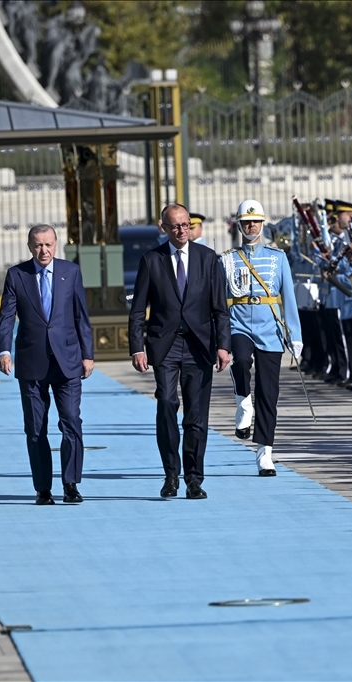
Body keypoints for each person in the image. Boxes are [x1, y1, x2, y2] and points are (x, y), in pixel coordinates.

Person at [129, 204, 232, 500]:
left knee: (197, 416)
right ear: (164, 228)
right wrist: (137, 347)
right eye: (175, 226)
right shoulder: (152, 260)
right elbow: (138, 310)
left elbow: (220, 309)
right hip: (165, 345)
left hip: (200, 346)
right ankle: (170, 475)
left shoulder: (208, 259)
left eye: (186, 225)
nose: (181, 230)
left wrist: (223, 345)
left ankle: (194, 479)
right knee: (166, 405)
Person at [0, 224, 94, 505]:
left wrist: (88, 355)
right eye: (38, 245)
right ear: (30, 247)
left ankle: (71, 484)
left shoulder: (70, 272)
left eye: (49, 244)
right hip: (32, 362)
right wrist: (4, 350)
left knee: (72, 422)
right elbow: (6, 316)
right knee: (36, 428)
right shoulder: (17, 275)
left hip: (68, 361)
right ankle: (43, 488)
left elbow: (81, 316)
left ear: (56, 244)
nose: (44, 250)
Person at [220, 199, 302, 475]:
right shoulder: (228, 259)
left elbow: (288, 298)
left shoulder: (277, 257)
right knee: (240, 360)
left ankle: (264, 451)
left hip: (270, 328)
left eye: (255, 221)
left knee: (269, 393)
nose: (251, 226)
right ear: (239, 225)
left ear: (262, 223)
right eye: (246, 222)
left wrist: (295, 335)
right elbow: (220, 301)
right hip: (239, 323)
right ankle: (243, 402)